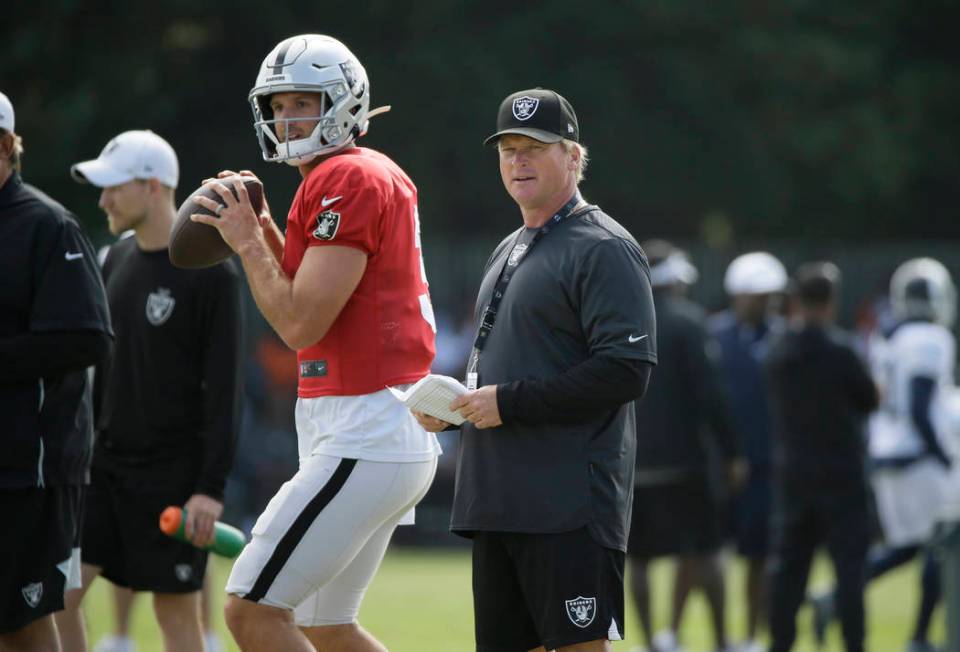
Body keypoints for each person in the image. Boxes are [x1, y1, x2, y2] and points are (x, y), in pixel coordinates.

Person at [189, 34, 440, 652]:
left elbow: (301, 322)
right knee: (325, 628)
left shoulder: (347, 177)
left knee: (251, 610)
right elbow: (310, 288)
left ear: (343, 103)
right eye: (277, 106)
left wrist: (248, 241)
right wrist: (268, 225)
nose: (286, 118)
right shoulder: (341, 176)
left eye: (302, 101)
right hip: (373, 426)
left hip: (366, 426)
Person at [415, 88, 657, 652]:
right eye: (509, 149)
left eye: (535, 148)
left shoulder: (604, 247)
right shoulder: (511, 245)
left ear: (573, 156)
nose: (518, 161)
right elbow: (511, 364)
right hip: (498, 503)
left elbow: (626, 370)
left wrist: (508, 402)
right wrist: (458, 410)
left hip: (567, 507)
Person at [55, 129, 244, 652]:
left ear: (154, 186)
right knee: (62, 596)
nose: (103, 199)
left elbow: (226, 390)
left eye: (113, 187)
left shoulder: (214, 275)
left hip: (174, 478)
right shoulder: (114, 259)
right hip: (105, 472)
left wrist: (210, 488)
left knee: (175, 614)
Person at [0, 90, 113, 651]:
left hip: (29, 470)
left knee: (22, 620)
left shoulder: (49, 225)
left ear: (5, 146)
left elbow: (85, 337)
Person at [813, 257, 956, 652]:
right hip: (918, 457)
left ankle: (833, 597)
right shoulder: (931, 338)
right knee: (944, 545)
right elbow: (920, 405)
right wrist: (943, 454)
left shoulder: (887, 337)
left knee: (908, 546)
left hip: (886, 454)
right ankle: (921, 636)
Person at [628, 240, 744, 652]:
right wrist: (732, 453)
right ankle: (718, 640)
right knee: (707, 550)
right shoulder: (692, 324)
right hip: (687, 463)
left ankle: (650, 642)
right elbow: (712, 396)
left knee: (637, 560)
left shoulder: (623, 323)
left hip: (633, 464)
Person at [764, 262, 878, 652]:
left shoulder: (781, 351)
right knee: (849, 570)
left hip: (794, 474)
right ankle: (854, 643)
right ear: (831, 302)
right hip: (842, 474)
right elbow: (869, 400)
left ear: (797, 300)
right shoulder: (842, 350)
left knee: (788, 570)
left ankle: (781, 643)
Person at [707, 250, 787, 652]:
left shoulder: (783, 336)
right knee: (712, 552)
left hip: (767, 463)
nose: (764, 302)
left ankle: (753, 636)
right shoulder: (713, 335)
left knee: (761, 554)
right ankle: (721, 638)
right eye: (756, 295)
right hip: (719, 465)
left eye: (769, 295)